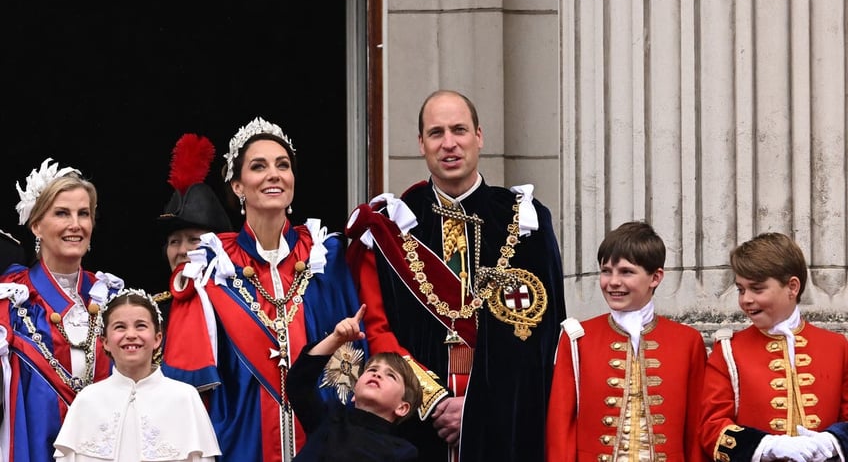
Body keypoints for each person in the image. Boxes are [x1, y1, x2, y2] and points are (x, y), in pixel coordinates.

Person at [345, 89, 567, 461]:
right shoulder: (393, 227)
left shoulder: (525, 220)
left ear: (479, 136)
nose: (449, 144)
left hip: (504, 424)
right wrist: (433, 401)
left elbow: (543, 338)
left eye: (459, 130)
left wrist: (478, 407)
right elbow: (378, 330)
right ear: (421, 143)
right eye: (436, 133)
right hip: (416, 423)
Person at [161, 117, 367, 462]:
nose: (274, 174)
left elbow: (354, 364)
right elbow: (187, 387)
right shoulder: (211, 266)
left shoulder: (324, 255)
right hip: (239, 443)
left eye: (283, 165)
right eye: (259, 166)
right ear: (238, 186)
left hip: (322, 445)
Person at [545, 220, 708, 461]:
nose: (612, 282)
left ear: (655, 277)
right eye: (606, 271)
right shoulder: (577, 338)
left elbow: (695, 428)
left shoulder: (687, 341)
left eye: (626, 272)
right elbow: (560, 426)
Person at [0, 158, 125, 462]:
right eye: (62, 213)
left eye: (84, 214)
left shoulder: (112, 297)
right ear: (36, 225)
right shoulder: (13, 303)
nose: (76, 224)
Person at [700, 232, 848, 461]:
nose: (746, 299)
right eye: (741, 289)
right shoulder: (729, 351)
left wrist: (833, 441)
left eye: (757, 289)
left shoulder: (837, 347)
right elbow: (711, 427)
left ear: (792, 287)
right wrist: (767, 446)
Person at [53, 288, 221, 461]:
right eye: (120, 327)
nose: (131, 335)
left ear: (157, 338)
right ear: (106, 342)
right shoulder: (86, 400)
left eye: (141, 326)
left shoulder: (185, 397)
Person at [288, 304, 421, 462]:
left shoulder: (402, 453)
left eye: (391, 375)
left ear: (402, 407)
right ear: (354, 393)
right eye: (372, 370)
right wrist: (336, 338)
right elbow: (299, 383)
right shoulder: (329, 417)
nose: (377, 374)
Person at [155, 133, 232, 337]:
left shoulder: (239, 306)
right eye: (174, 241)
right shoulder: (152, 316)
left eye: (194, 240)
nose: (182, 251)